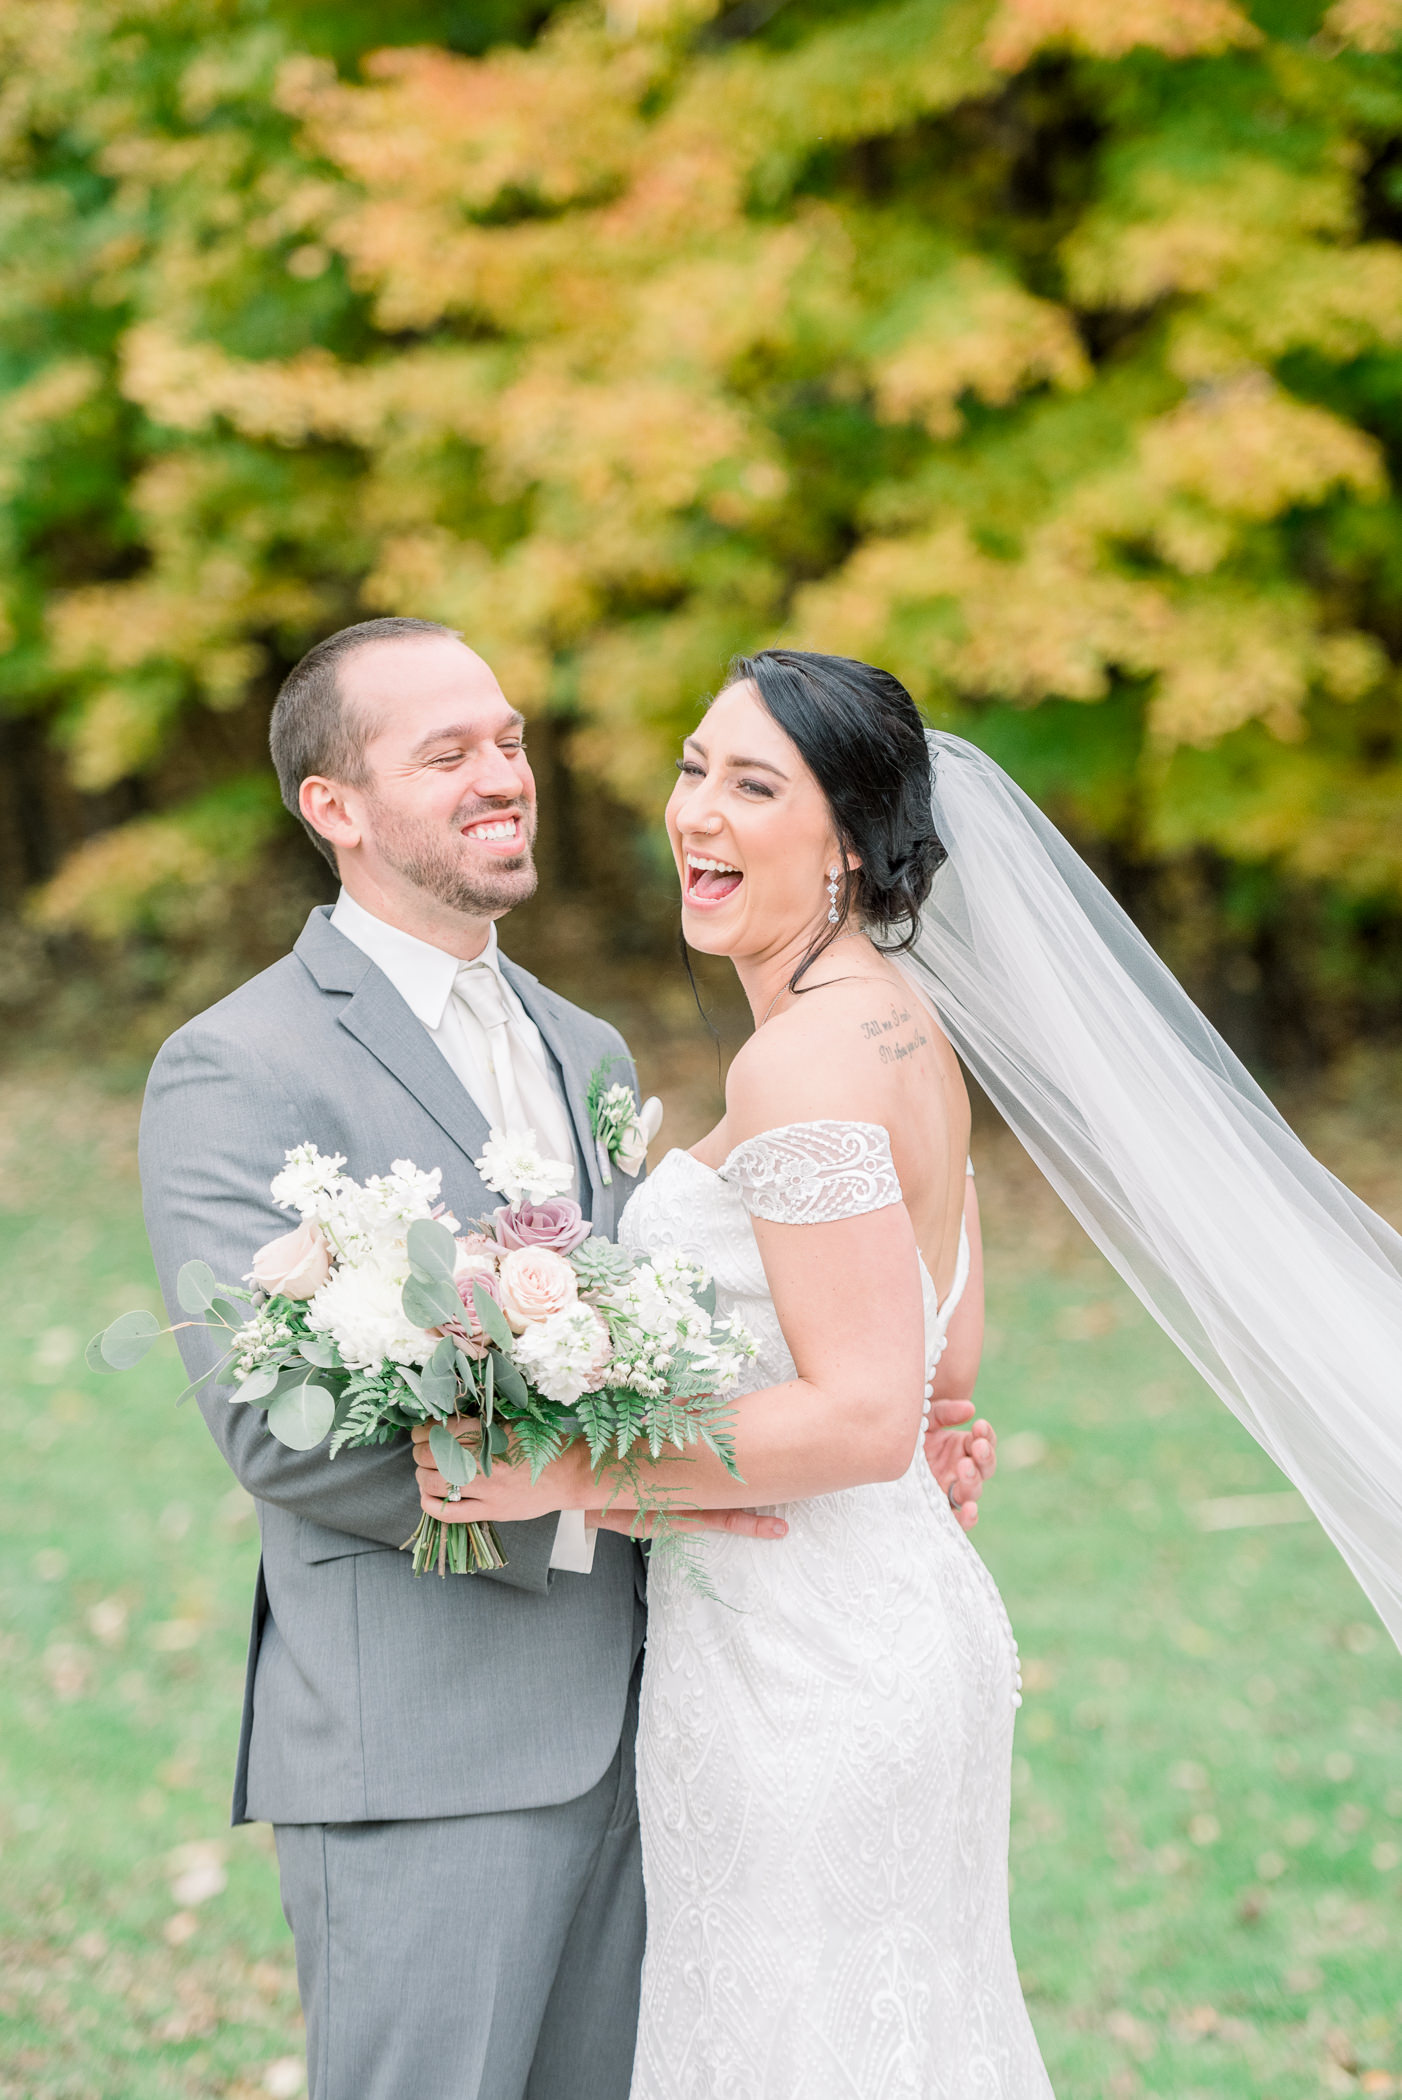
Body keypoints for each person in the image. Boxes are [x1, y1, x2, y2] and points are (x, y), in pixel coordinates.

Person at [419, 647, 1402, 2098]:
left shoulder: (804, 1062)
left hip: (802, 1663)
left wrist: (560, 1465)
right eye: (694, 768)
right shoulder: (908, 1032)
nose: (698, 812)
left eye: (755, 785)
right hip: (885, 1618)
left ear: (854, 841)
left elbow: (868, 1416)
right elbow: (938, 1382)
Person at [138, 619, 999, 2100]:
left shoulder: (587, 1048)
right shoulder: (241, 1062)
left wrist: (909, 1416)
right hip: (435, 1745)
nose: (502, 775)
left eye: (510, 739)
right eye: (445, 753)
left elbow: (685, 1347)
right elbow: (278, 1435)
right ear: (332, 806)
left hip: (684, 1704)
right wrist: (604, 1493)